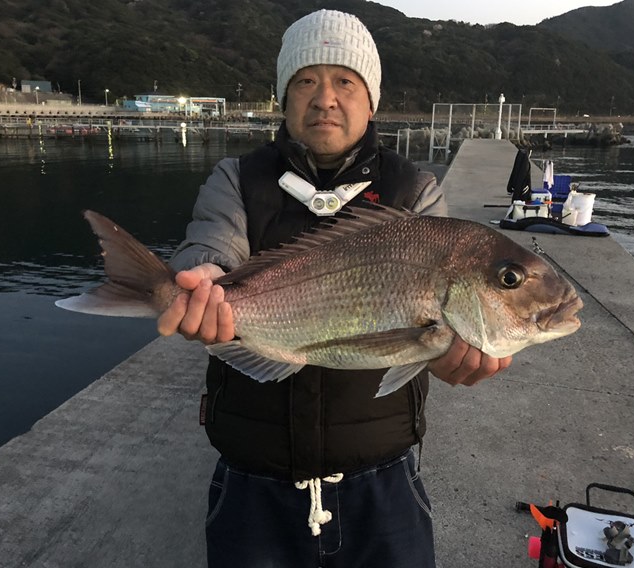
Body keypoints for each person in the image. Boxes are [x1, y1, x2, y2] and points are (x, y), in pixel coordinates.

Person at [158, 9, 512, 568]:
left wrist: (448, 353)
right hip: (253, 480)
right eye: (306, 81)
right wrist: (200, 276)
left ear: (370, 100)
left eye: (344, 81)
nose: (325, 98)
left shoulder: (414, 192)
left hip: (384, 479)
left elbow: (436, 329)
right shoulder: (237, 178)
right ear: (284, 98)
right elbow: (211, 242)